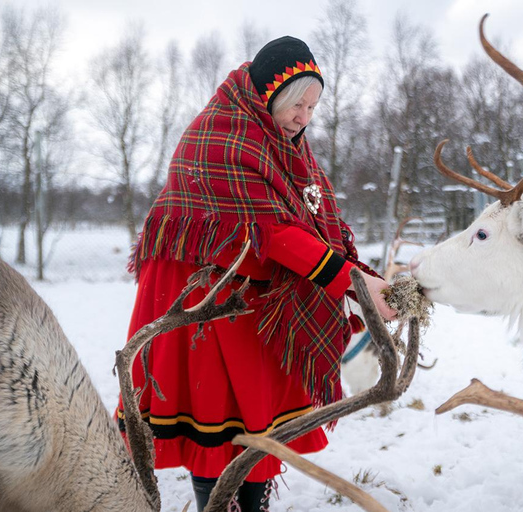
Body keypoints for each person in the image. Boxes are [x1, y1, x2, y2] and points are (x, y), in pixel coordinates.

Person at [116, 36, 396, 512]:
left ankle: (254, 503)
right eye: (296, 104)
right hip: (201, 299)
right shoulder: (221, 136)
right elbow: (273, 231)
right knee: (215, 414)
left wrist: (358, 275)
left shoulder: (284, 143)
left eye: (312, 105)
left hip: (253, 296)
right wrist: (353, 283)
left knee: (256, 408)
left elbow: (307, 219)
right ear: (270, 94)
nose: (305, 116)